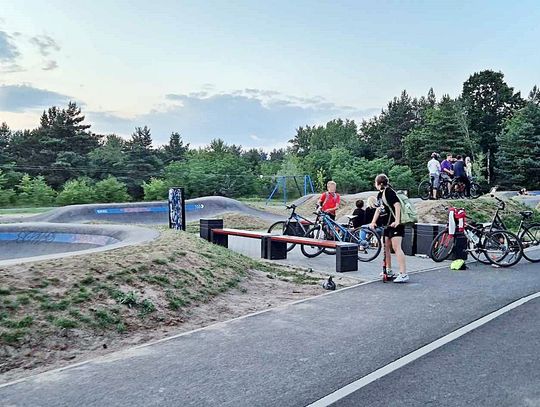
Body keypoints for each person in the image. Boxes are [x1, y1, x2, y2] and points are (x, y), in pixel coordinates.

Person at [369, 174, 408, 283]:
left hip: (395, 224)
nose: (374, 184)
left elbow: (397, 205)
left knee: (396, 248)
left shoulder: (389, 192)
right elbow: (378, 209)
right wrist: (373, 221)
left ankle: (403, 273)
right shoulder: (379, 195)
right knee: (386, 247)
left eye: (375, 182)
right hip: (386, 225)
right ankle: (388, 269)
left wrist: (397, 221)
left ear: (380, 183)